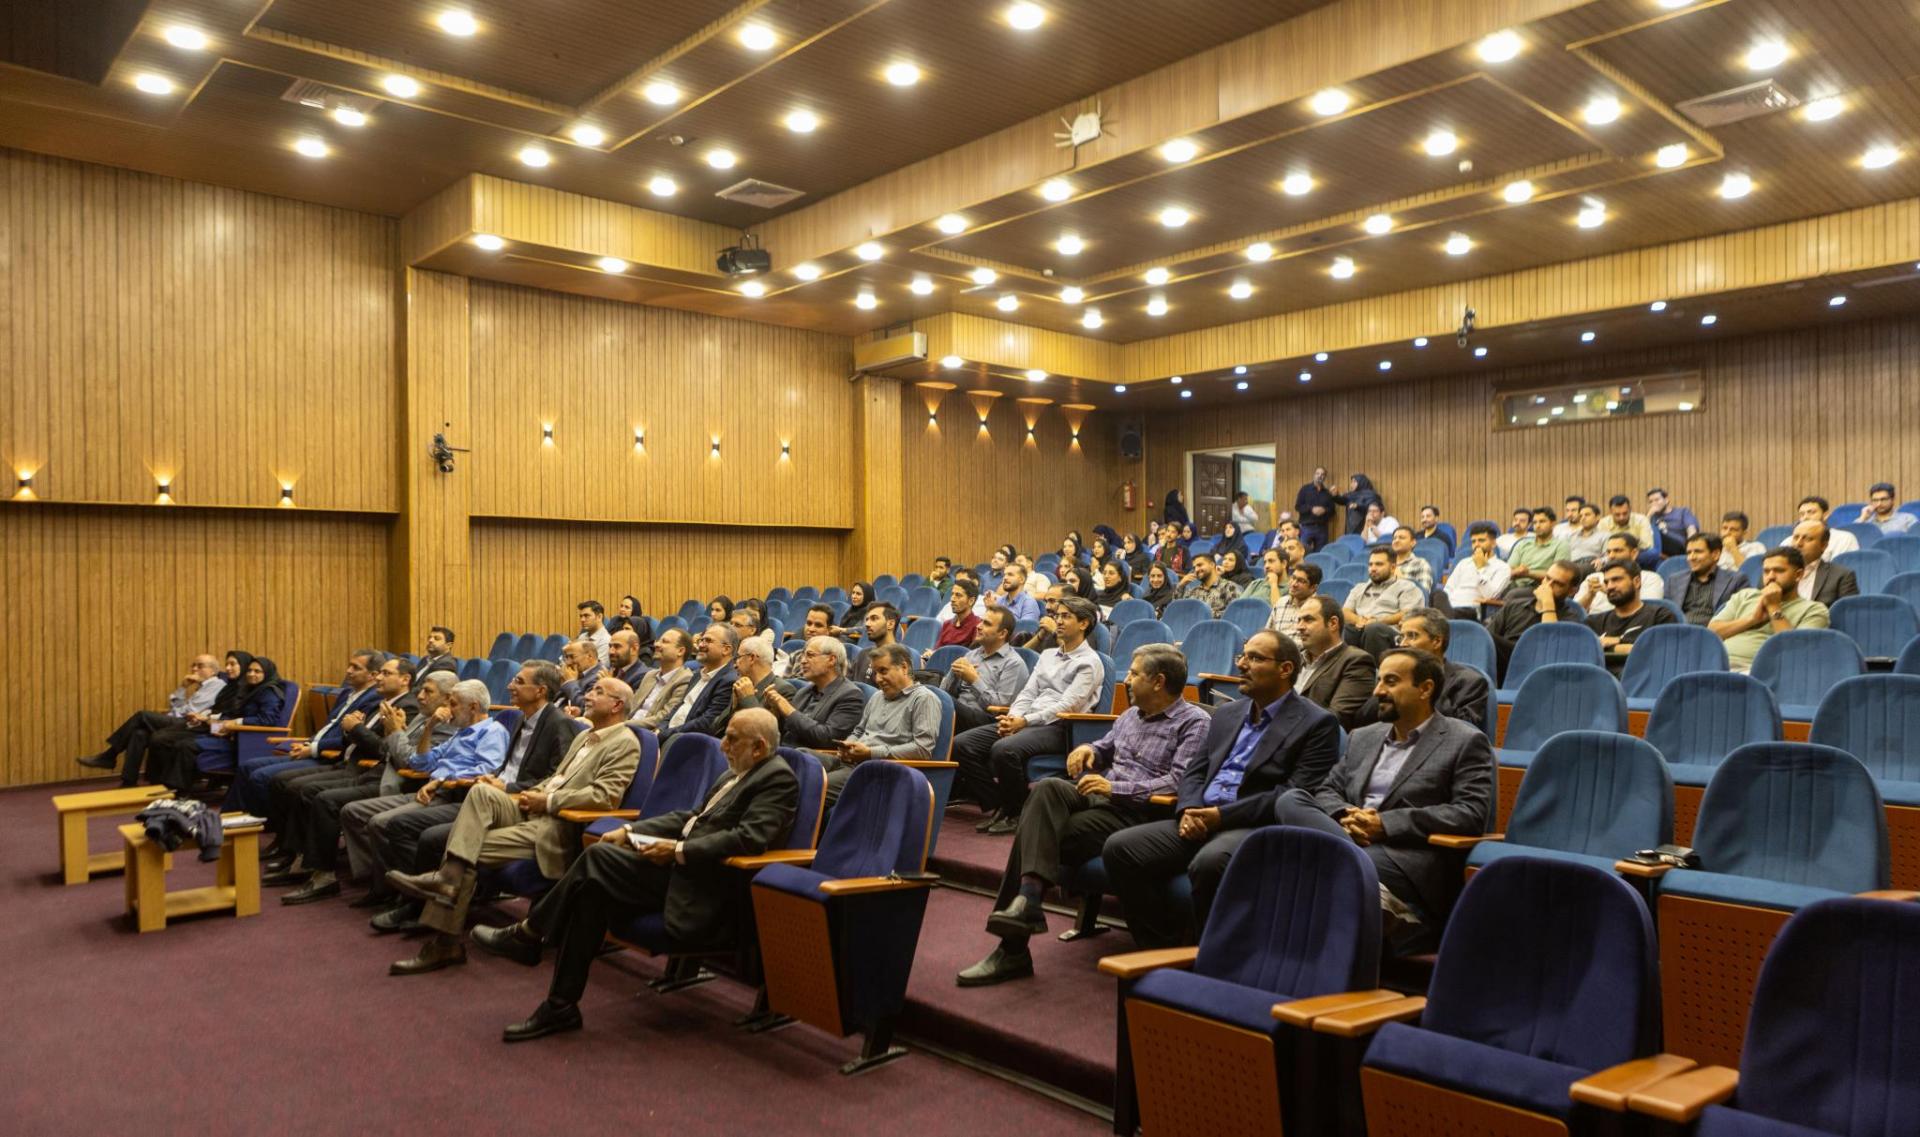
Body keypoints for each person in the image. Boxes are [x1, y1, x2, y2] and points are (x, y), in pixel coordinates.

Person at [472, 709, 798, 1041]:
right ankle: (560, 1006)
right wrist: (631, 831)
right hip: (678, 874)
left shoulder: (777, 779)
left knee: (598, 857)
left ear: (758, 747)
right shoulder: (735, 772)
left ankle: (530, 933)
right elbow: (691, 818)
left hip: (705, 889)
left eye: (732, 739)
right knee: (592, 892)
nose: (723, 745)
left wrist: (678, 850)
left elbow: (748, 839)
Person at [957, 645, 1211, 986]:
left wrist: (1115, 788)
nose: (1127, 680)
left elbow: (1179, 782)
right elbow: (1104, 748)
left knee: (1036, 833)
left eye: (1134, 673)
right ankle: (1027, 902)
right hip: (1102, 801)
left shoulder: (1195, 723)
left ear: (1158, 681)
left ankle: (1013, 945)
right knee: (1047, 789)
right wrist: (1087, 748)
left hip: (1142, 815)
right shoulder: (1130, 716)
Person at [385, 676, 641, 976]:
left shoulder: (625, 743)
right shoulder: (584, 736)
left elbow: (604, 797)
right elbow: (555, 779)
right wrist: (523, 792)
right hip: (532, 808)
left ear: (617, 705)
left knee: (463, 853)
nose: (587, 695)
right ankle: (446, 885)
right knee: (482, 792)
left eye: (598, 691)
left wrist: (547, 801)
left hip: (555, 825)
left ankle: (445, 941)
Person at [1102, 630, 1340, 947]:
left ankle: (1212, 956)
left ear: (1285, 669)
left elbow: (1293, 794)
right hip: (1201, 815)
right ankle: (1161, 947)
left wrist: (1220, 816)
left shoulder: (1317, 723)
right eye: (1242, 656)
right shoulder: (1228, 713)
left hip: (1253, 825)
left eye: (1255, 658)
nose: (1241, 664)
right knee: (1120, 848)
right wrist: (1188, 808)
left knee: (1210, 862)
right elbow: (1195, 771)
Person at [1272, 648, 1494, 954]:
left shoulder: (1465, 741)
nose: (1377, 691)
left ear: (1425, 688)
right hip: (1350, 836)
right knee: (1291, 800)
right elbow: (1326, 790)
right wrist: (1347, 816)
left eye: (1390, 681)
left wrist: (1385, 824)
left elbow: (1470, 813)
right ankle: (1390, 915)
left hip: (1406, 856)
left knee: (1308, 864)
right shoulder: (1364, 736)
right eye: (1378, 681)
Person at [273, 657, 426, 904]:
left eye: (386, 673)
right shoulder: (383, 704)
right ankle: (299, 858)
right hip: (361, 768)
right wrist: (350, 728)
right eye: (380, 673)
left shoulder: (408, 707)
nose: (378, 677)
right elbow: (358, 743)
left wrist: (356, 728)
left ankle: (322, 874)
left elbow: (384, 751)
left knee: (321, 798)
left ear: (405, 679)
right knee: (301, 789)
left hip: (380, 775)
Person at [957, 596, 1103, 832]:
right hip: (1026, 720)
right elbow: (1028, 692)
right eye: (1057, 616)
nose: (1059, 621)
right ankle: (1001, 803)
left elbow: (1067, 706)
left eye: (1066, 617)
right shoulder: (1047, 655)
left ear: (1084, 623)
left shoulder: (1090, 662)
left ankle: (1015, 813)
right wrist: (1012, 718)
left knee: (1004, 748)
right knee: (963, 745)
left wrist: (1023, 721)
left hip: (1059, 727)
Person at [232, 648, 384, 818]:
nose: (348, 671)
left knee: (261, 776)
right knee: (247, 766)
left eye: (356, 667)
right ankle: (232, 818)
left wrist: (313, 748)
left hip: (328, 755)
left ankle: (260, 823)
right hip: (313, 747)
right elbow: (329, 727)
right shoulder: (347, 693)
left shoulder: (373, 699)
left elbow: (348, 738)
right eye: (349, 665)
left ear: (372, 675)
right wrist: (308, 743)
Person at [146, 657, 286, 794]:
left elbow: (267, 719)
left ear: (267, 673)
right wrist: (210, 722)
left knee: (185, 745)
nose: (251, 674)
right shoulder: (250, 690)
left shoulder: (269, 692)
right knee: (177, 740)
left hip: (245, 740)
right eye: (249, 670)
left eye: (257, 671)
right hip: (229, 732)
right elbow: (229, 714)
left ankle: (177, 793)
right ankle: (167, 788)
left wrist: (236, 722)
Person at [79, 653, 226, 783]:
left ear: (213, 670)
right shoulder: (202, 686)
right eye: (193, 665)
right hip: (182, 720)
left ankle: (109, 755)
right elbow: (179, 708)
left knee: (142, 716)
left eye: (200, 666)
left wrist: (169, 714)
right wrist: (183, 687)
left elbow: (189, 711)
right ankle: (128, 780)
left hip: (191, 724)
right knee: (139, 733)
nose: (194, 669)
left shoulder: (216, 684)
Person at [824, 644, 941, 804]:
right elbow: (858, 732)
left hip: (879, 772)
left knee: (813, 783)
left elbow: (922, 749)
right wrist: (848, 745)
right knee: (802, 760)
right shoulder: (877, 696)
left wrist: (871, 753)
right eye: (875, 672)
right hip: (851, 762)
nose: (877, 679)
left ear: (904, 667)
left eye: (883, 671)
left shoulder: (924, 699)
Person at [1355, 609, 1490, 731]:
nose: (1403, 644)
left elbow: (1463, 732)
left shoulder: (1470, 682)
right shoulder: (1395, 678)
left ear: (1437, 641)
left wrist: (1430, 682)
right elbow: (1362, 719)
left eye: (1412, 636)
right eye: (1401, 637)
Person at [1710, 546, 1832, 673]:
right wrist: (1752, 619)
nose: (1771, 576)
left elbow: (1796, 652)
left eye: (1779, 571)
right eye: (1766, 571)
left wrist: (1774, 608)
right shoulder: (1745, 595)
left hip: (1761, 671)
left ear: (1798, 575)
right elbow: (1712, 632)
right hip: (1719, 664)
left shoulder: (1814, 610)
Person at [761, 635, 865, 749]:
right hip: (786, 750)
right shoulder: (803, 692)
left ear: (831, 660)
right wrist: (775, 713)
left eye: (810, 655)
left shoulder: (850, 695)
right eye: (803, 656)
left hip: (814, 756)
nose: (803, 661)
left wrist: (789, 710)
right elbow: (787, 732)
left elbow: (828, 739)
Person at [1485, 561, 1581, 681]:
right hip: (1503, 663)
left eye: (1558, 584)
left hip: (1539, 669)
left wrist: (1547, 603)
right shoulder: (1514, 606)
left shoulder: (1571, 619)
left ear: (1572, 591)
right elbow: (1485, 639)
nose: (1548, 586)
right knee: (1482, 636)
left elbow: (1552, 651)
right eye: (1547, 578)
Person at [940, 607, 1030, 734]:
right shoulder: (971, 655)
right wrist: (953, 674)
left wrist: (974, 680)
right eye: (981, 621)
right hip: (959, 711)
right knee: (932, 696)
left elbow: (999, 708)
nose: (978, 626)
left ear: (1002, 634)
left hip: (986, 720)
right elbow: (944, 691)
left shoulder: (1013, 663)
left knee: (941, 700)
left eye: (986, 624)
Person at [1295, 594, 1378, 729]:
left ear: (1333, 623)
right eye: (1299, 620)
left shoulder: (1356, 661)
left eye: (1308, 620)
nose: (1299, 627)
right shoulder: (1293, 658)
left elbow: (1336, 718)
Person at [1585, 558, 1676, 669]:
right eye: (1606, 582)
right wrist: (1624, 646)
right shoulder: (1594, 621)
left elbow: (1659, 653)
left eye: (1616, 580)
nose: (1610, 586)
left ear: (1636, 582)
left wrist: (1612, 644)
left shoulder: (1660, 616)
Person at [659, 625, 740, 742]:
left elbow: (706, 723)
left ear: (726, 649)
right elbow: (679, 706)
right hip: (669, 735)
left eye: (708, 641)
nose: (701, 645)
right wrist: (660, 728)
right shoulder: (697, 674)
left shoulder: (729, 681)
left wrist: (664, 734)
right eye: (701, 640)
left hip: (687, 742)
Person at [1343, 547, 1423, 657]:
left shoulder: (1407, 587)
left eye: (1379, 564)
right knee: (1349, 628)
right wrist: (1360, 620)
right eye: (1370, 564)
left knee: (1374, 628)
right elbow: (1345, 611)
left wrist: (1378, 621)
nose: (1373, 568)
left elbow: (1408, 614)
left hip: (1393, 636)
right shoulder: (1359, 588)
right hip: (1363, 630)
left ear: (1393, 567)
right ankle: (1353, 666)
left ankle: (1376, 668)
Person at [1576, 533, 1665, 614]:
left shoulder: (1650, 578)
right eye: (1609, 552)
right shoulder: (1593, 578)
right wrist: (1590, 595)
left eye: (1617, 551)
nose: (1611, 556)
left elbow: (1648, 612)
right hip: (1595, 624)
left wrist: (1609, 591)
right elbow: (1575, 613)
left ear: (1634, 553)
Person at [628, 628, 695, 730]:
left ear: (680, 651)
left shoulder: (685, 679)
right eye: (658, 641)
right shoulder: (650, 675)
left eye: (664, 641)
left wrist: (624, 724)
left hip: (646, 732)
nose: (656, 644)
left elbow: (664, 717)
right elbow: (632, 706)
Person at [1443, 521, 1512, 618]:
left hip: (1471, 609)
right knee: (1437, 595)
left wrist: (1481, 568)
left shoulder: (1502, 567)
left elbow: (1490, 595)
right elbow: (1448, 588)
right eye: (1473, 541)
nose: (1476, 544)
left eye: (1481, 540)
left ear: (1493, 543)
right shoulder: (1464, 563)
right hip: (1451, 605)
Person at [1788, 521, 1860, 608]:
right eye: (1795, 538)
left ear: (1824, 545)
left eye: (1808, 539)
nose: (1798, 544)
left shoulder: (1842, 576)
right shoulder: (1777, 572)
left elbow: (1848, 613)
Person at [1678, 533, 1741, 627]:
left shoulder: (1736, 580)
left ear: (1715, 555)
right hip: (1679, 632)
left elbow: (1741, 617)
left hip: (1715, 633)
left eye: (1698, 552)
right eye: (1689, 553)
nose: (1691, 557)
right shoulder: (1675, 581)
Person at [1506, 507, 1569, 583]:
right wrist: (1517, 571)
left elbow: (1558, 575)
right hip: (1514, 585)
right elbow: (1508, 570)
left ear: (1553, 523)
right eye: (1535, 522)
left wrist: (1528, 573)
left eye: (1542, 521)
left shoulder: (1561, 546)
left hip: (1542, 585)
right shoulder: (1522, 544)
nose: (1538, 525)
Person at [848, 603, 902, 687]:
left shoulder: (901, 656)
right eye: (867, 619)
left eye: (874, 619)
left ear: (890, 624)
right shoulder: (863, 654)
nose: (867, 624)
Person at [1267, 562, 1320, 645]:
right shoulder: (1281, 603)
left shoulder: (1318, 608)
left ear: (1313, 588)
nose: (1294, 584)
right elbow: (1268, 634)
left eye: (1301, 581)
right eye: (1293, 578)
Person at [1175, 554, 1239, 618]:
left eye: (1199, 565)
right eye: (1194, 568)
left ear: (1212, 565)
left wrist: (1202, 613)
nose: (1196, 569)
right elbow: (1177, 610)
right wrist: (1181, 585)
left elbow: (1234, 613)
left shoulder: (1229, 587)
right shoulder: (1194, 591)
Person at [1646, 487, 1701, 556]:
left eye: (1657, 500)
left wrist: (1690, 547)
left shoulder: (1682, 512)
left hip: (1680, 546)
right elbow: (1644, 534)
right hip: (1660, 551)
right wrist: (1649, 515)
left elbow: (1691, 530)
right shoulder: (1652, 517)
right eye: (1650, 502)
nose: (1654, 504)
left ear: (1666, 500)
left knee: (1655, 531)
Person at [1295, 466, 1338, 551]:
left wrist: (1324, 510)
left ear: (1324, 477)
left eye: (1322, 474)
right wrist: (1311, 509)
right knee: (1302, 551)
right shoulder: (1305, 489)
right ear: (1314, 475)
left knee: (1320, 553)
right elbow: (1298, 506)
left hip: (1322, 528)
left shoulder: (1327, 493)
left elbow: (1332, 511)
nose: (1320, 476)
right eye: (1318, 473)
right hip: (1306, 527)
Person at [934, 578, 983, 649]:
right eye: (952, 594)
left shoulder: (978, 626)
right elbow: (937, 650)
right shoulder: (947, 624)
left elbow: (973, 654)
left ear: (971, 601)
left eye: (958, 595)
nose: (952, 599)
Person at [606, 595, 654, 666]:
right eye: (621, 606)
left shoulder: (645, 653)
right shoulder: (615, 621)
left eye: (626, 607)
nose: (622, 609)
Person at [557, 640, 603, 714]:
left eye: (572, 657)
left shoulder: (599, 677)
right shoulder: (575, 671)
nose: (568, 662)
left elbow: (586, 706)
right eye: (566, 657)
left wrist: (570, 683)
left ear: (589, 656)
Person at [1388, 526, 1433, 594]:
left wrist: (1402, 580)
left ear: (1413, 543)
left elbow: (1424, 593)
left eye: (1402, 538)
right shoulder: (1386, 563)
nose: (1396, 541)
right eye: (1394, 538)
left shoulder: (1420, 563)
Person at [1565, 501, 1608, 568]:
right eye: (1580, 516)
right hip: (1572, 565)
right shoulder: (1572, 536)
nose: (1583, 518)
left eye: (1587, 515)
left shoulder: (1604, 536)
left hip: (1591, 564)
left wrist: (1601, 560)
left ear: (1597, 517)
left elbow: (1609, 556)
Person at [575, 600, 611, 670]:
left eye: (586, 616)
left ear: (599, 617)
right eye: (581, 616)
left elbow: (597, 669)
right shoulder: (582, 636)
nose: (582, 619)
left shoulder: (606, 640)